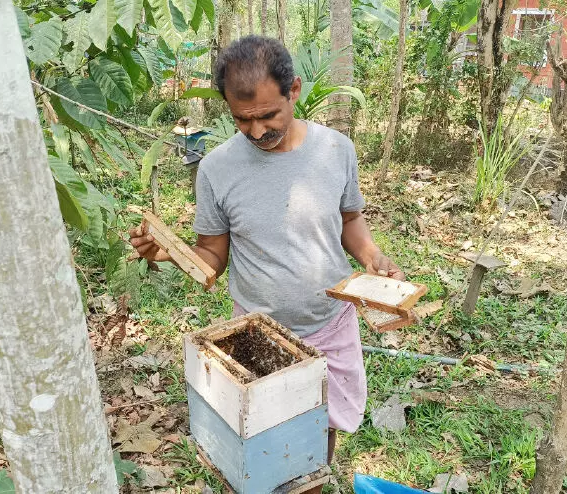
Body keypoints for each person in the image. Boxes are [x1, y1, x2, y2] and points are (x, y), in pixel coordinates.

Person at [129, 34, 405, 476]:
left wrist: (373, 256)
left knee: (320, 428)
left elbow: (350, 220)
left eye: (269, 115)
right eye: (243, 120)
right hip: (258, 329)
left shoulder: (337, 150)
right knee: (265, 436)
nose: (258, 131)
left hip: (329, 323)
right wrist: (169, 252)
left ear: (293, 90)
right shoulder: (217, 169)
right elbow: (211, 257)